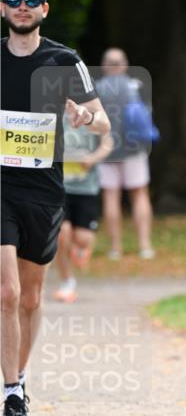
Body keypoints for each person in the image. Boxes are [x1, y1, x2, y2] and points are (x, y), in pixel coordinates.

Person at [1, 0, 110, 416]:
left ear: (44, 8)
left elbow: (104, 123)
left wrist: (85, 116)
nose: (22, 5)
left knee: (30, 298)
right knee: (5, 293)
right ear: (2, 7)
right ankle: (10, 397)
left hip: (43, 190)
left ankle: (20, 380)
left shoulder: (64, 60)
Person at [96, 48, 155, 259]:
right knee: (139, 195)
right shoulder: (136, 86)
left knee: (111, 197)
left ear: (104, 66)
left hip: (107, 150)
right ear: (124, 65)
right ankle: (145, 246)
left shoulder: (97, 89)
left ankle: (115, 248)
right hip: (134, 149)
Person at [52, 119, 114, 302]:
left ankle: (79, 249)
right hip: (59, 187)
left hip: (87, 188)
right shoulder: (51, 109)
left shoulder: (92, 109)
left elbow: (107, 143)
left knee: (83, 239)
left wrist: (92, 159)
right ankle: (67, 282)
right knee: (62, 234)